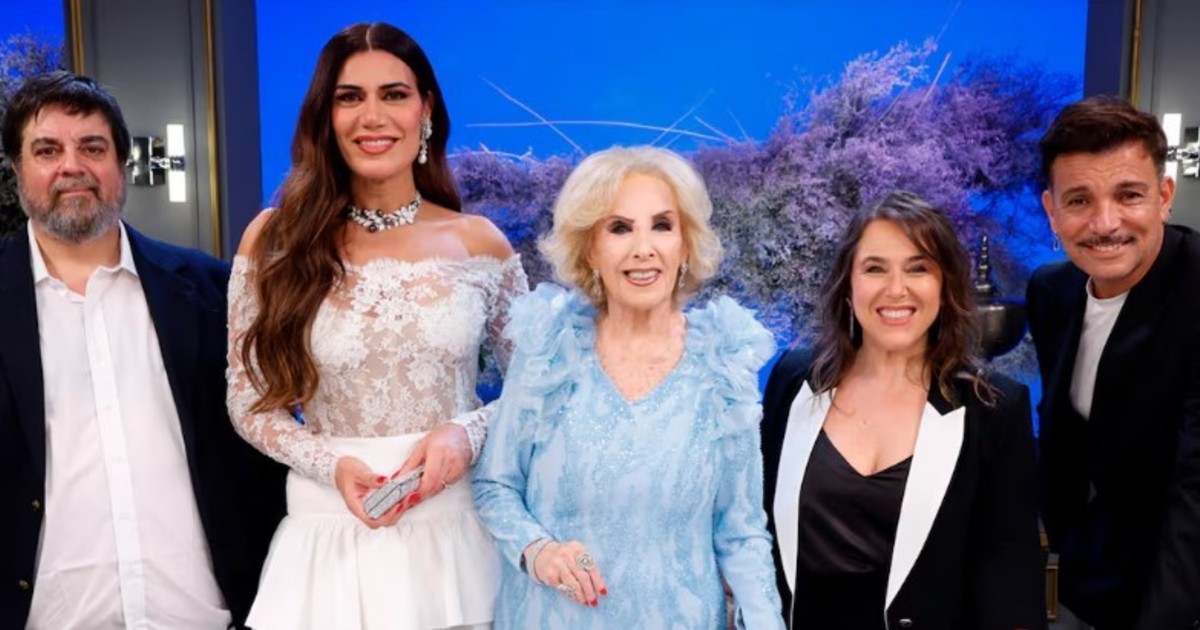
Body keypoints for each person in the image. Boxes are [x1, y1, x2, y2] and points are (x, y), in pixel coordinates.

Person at [226, 22, 526, 630]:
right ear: (325, 116)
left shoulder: (480, 244)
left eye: (393, 94)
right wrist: (330, 465)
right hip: (328, 537)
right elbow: (247, 399)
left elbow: (536, 388)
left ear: (426, 110)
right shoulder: (275, 239)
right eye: (349, 97)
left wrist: (465, 435)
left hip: (454, 541)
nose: (373, 116)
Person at [0, 71, 285, 629]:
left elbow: (261, 456)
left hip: (199, 617)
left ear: (122, 164)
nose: (72, 166)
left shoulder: (211, 291)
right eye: (47, 150)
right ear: (17, 170)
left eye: (92, 147)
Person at [472, 145, 785, 629]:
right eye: (620, 228)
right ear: (590, 250)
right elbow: (495, 485)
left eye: (662, 225)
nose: (644, 248)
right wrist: (539, 551)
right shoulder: (548, 350)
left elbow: (741, 534)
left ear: (685, 244)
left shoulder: (722, 366)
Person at [761, 191, 1046, 629]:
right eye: (875, 268)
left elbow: (1011, 580)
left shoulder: (994, 409)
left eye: (918, 268)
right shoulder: (792, 382)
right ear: (848, 284)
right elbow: (753, 530)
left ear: (945, 285)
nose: (896, 289)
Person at [1028, 96, 1200, 629]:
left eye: (1129, 195)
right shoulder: (1051, 291)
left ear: (1164, 197)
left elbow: (1195, 489)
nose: (1105, 223)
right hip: (1089, 582)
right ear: (1051, 210)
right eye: (1079, 200)